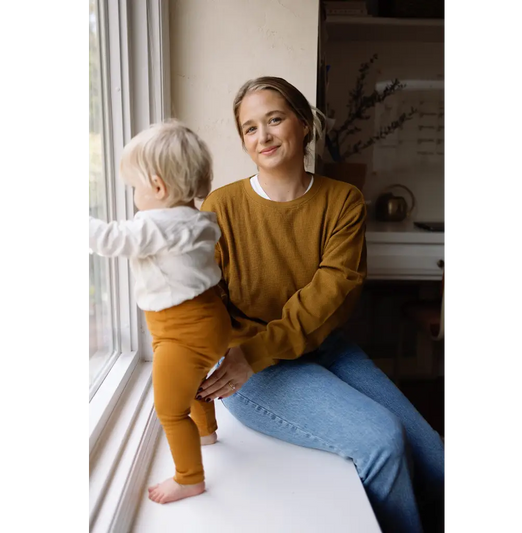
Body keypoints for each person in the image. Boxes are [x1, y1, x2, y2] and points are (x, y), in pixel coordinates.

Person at [197, 77, 447, 533]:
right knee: (382, 441)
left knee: (436, 458)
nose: (263, 135)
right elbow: (201, 299)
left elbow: (330, 293)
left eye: (274, 119)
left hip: (324, 348)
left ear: (304, 124)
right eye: (250, 128)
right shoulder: (222, 206)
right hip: (248, 365)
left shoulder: (343, 201)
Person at [86, 119, 231, 505]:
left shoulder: (159, 226)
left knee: (169, 409)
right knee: (194, 380)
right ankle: (207, 432)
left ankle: (190, 478)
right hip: (211, 320)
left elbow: (111, 239)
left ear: (158, 187)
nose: (134, 195)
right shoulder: (195, 220)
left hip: (182, 331)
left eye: (135, 187)